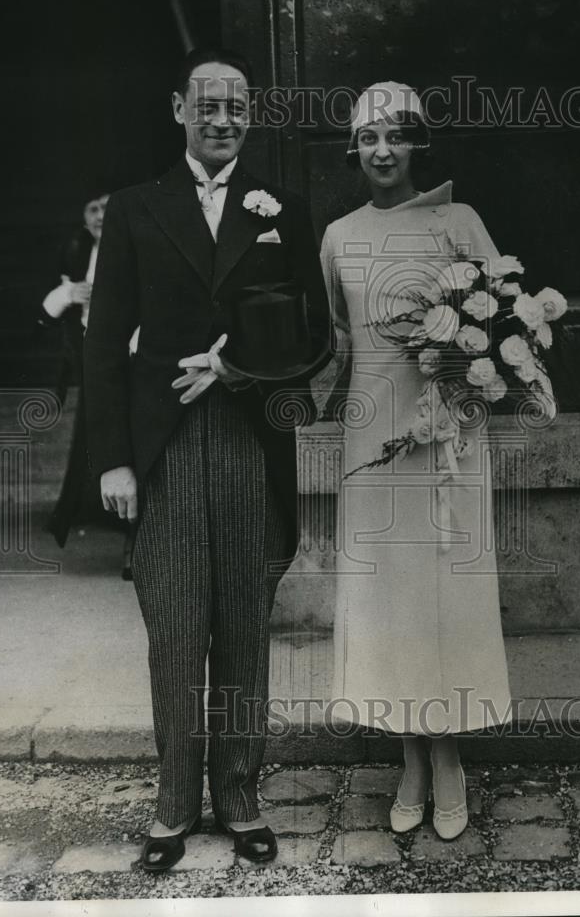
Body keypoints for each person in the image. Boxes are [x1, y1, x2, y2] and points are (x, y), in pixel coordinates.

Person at [83, 48, 330, 871]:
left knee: (243, 627)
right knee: (177, 628)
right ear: (180, 111)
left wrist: (235, 367)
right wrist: (112, 461)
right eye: (207, 105)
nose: (222, 119)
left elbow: (313, 338)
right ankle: (172, 803)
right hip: (164, 447)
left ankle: (240, 794)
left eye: (236, 106)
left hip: (249, 442)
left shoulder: (284, 211)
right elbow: (104, 350)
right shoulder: (134, 209)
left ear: (250, 114)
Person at [319, 82, 511, 840]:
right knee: (391, 600)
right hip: (374, 441)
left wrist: (472, 369)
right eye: (369, 139)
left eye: (396, 136)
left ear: (417, 143)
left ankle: (451, 755)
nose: (383, 151)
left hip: (449, 439)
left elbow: (503, 314)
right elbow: (340, 336)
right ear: (354, 150)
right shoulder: (338, 234)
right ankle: (409, 757)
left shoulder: (457, 220)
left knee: (446, 596)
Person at [37, 192, 138, 577]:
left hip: (134, 357)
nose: (101, 215)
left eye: (109, 208)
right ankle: (98, 518)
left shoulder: (136, 247)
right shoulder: (77, 252)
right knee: (94, 443)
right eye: (93, 209)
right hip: (94, 363)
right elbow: (44, 313)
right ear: (83, 219)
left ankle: (135, 541)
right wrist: (69, 293)